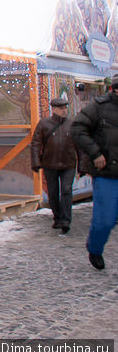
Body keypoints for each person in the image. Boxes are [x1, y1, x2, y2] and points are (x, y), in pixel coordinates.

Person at [69, 75, 118, 270]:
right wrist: (95, 153)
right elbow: (77, 129)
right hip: (107, 172)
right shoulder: (98, 107)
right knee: (105, 220)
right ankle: (95, 248)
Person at [31, 97, 78, 234]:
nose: (64, 110)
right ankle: (57, 217)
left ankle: (66, 220)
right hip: (50, 163)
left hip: (68, 163)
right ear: (54, 109)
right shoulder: (44, 124)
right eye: (61, 108)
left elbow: (80, 144)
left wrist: (82, 165)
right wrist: (35, 162)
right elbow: (35, 144)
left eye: (65, 107)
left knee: (66, 190)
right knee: (52, 192)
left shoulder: (72, 124)